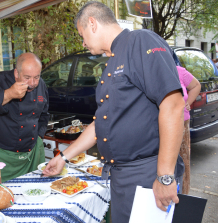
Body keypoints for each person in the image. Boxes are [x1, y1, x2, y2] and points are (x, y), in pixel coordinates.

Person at [42, 2, 185, 222]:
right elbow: (102, 123)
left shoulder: (140, 41)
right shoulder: (112, 61)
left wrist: (165, 176)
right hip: (121, 175)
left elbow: (173, 104)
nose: (83, 42)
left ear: (92, 23)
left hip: (147, 173)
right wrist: (63, 156)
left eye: (82, 35)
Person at [0, 52, 49, 187]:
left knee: (34, 192)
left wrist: (38, 136)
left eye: (36, 77)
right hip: (0, 155)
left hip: (32, 155)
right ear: (16, 73)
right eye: (27, 77)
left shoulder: (42, 85)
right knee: (0, 198)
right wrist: (8, 94)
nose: (32, 83)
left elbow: (44, 114)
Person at [176, 66, 201, 194]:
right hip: (157, 125)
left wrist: (188, 102)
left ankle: (183, 198)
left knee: (182, 165)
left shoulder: (179, 71)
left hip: (182, 123)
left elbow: (196, 85)